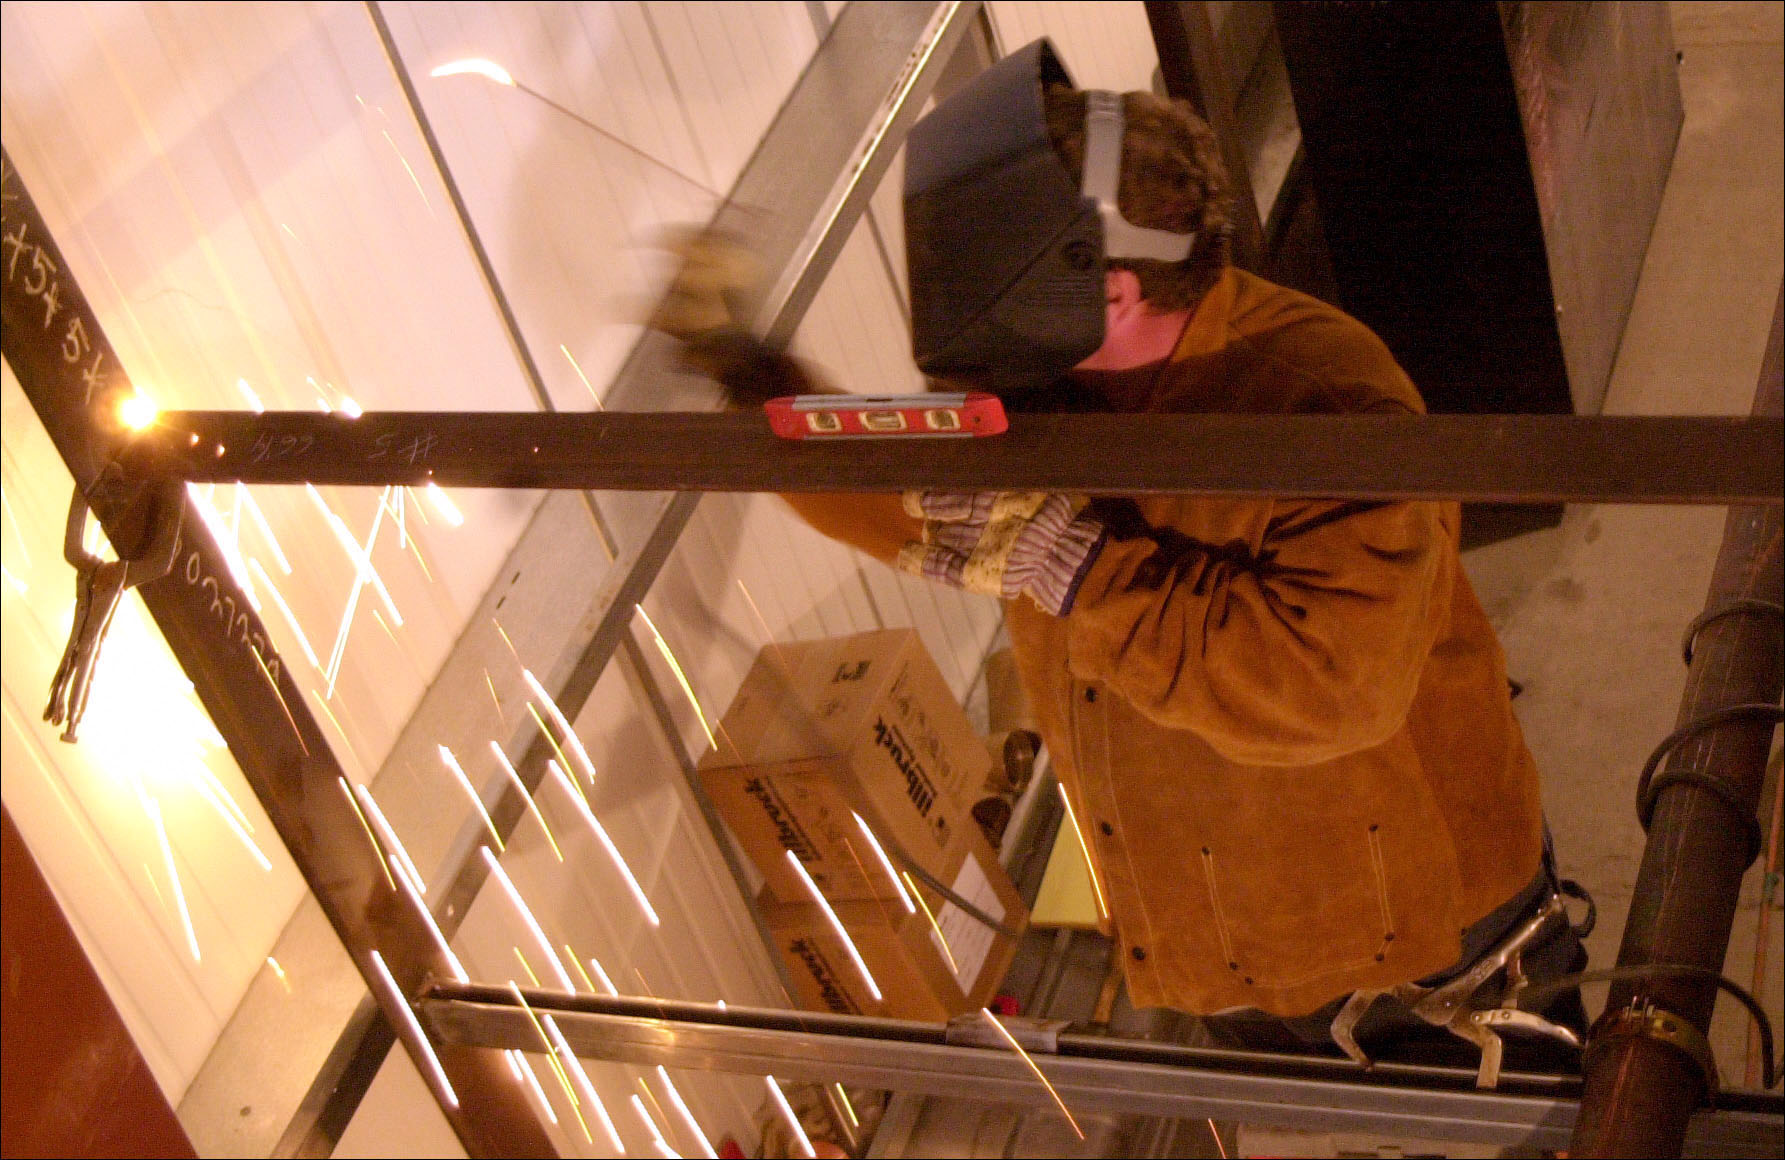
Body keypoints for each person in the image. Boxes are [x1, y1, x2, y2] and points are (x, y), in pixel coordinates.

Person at [656, 39, 1586, 1068]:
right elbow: (910, 497)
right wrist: (755, 377)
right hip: (1219, 942)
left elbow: (1332, 686)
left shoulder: (1324, 402)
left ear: (1111, 295)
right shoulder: (1060, 385)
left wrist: (1079, 566)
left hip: (1425, 942)